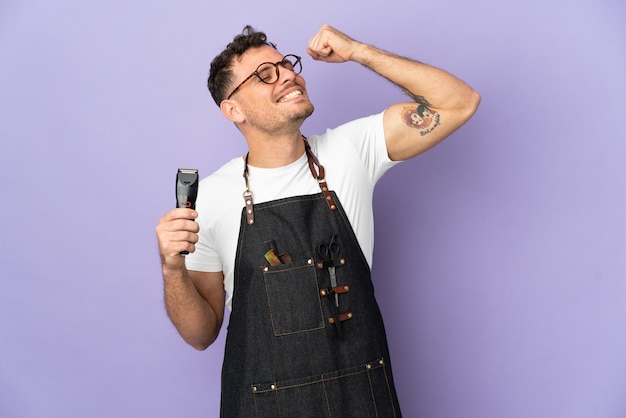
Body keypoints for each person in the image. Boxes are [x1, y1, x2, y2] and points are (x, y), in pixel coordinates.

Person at [156, 24, 480, 417]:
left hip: (362, 398)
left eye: (286, 65)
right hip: (265, 405)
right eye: (265, 74)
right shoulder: (210, 198)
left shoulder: (351, 150)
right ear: (233, 109)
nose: (289, 75)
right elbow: (200, 333)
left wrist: (359, 51)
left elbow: (459, 102)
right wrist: (173, 267)